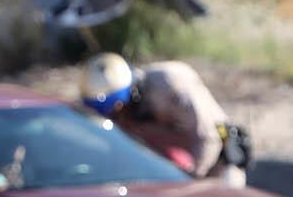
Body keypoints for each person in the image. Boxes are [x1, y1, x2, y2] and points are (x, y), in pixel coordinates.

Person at [80, 52, 252, 187]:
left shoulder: (169, 83)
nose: (115, 115)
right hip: (172, 169)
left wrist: (191, 180)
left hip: (217, 159)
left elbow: (207, 137)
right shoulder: (122, 110)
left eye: (116, 107)